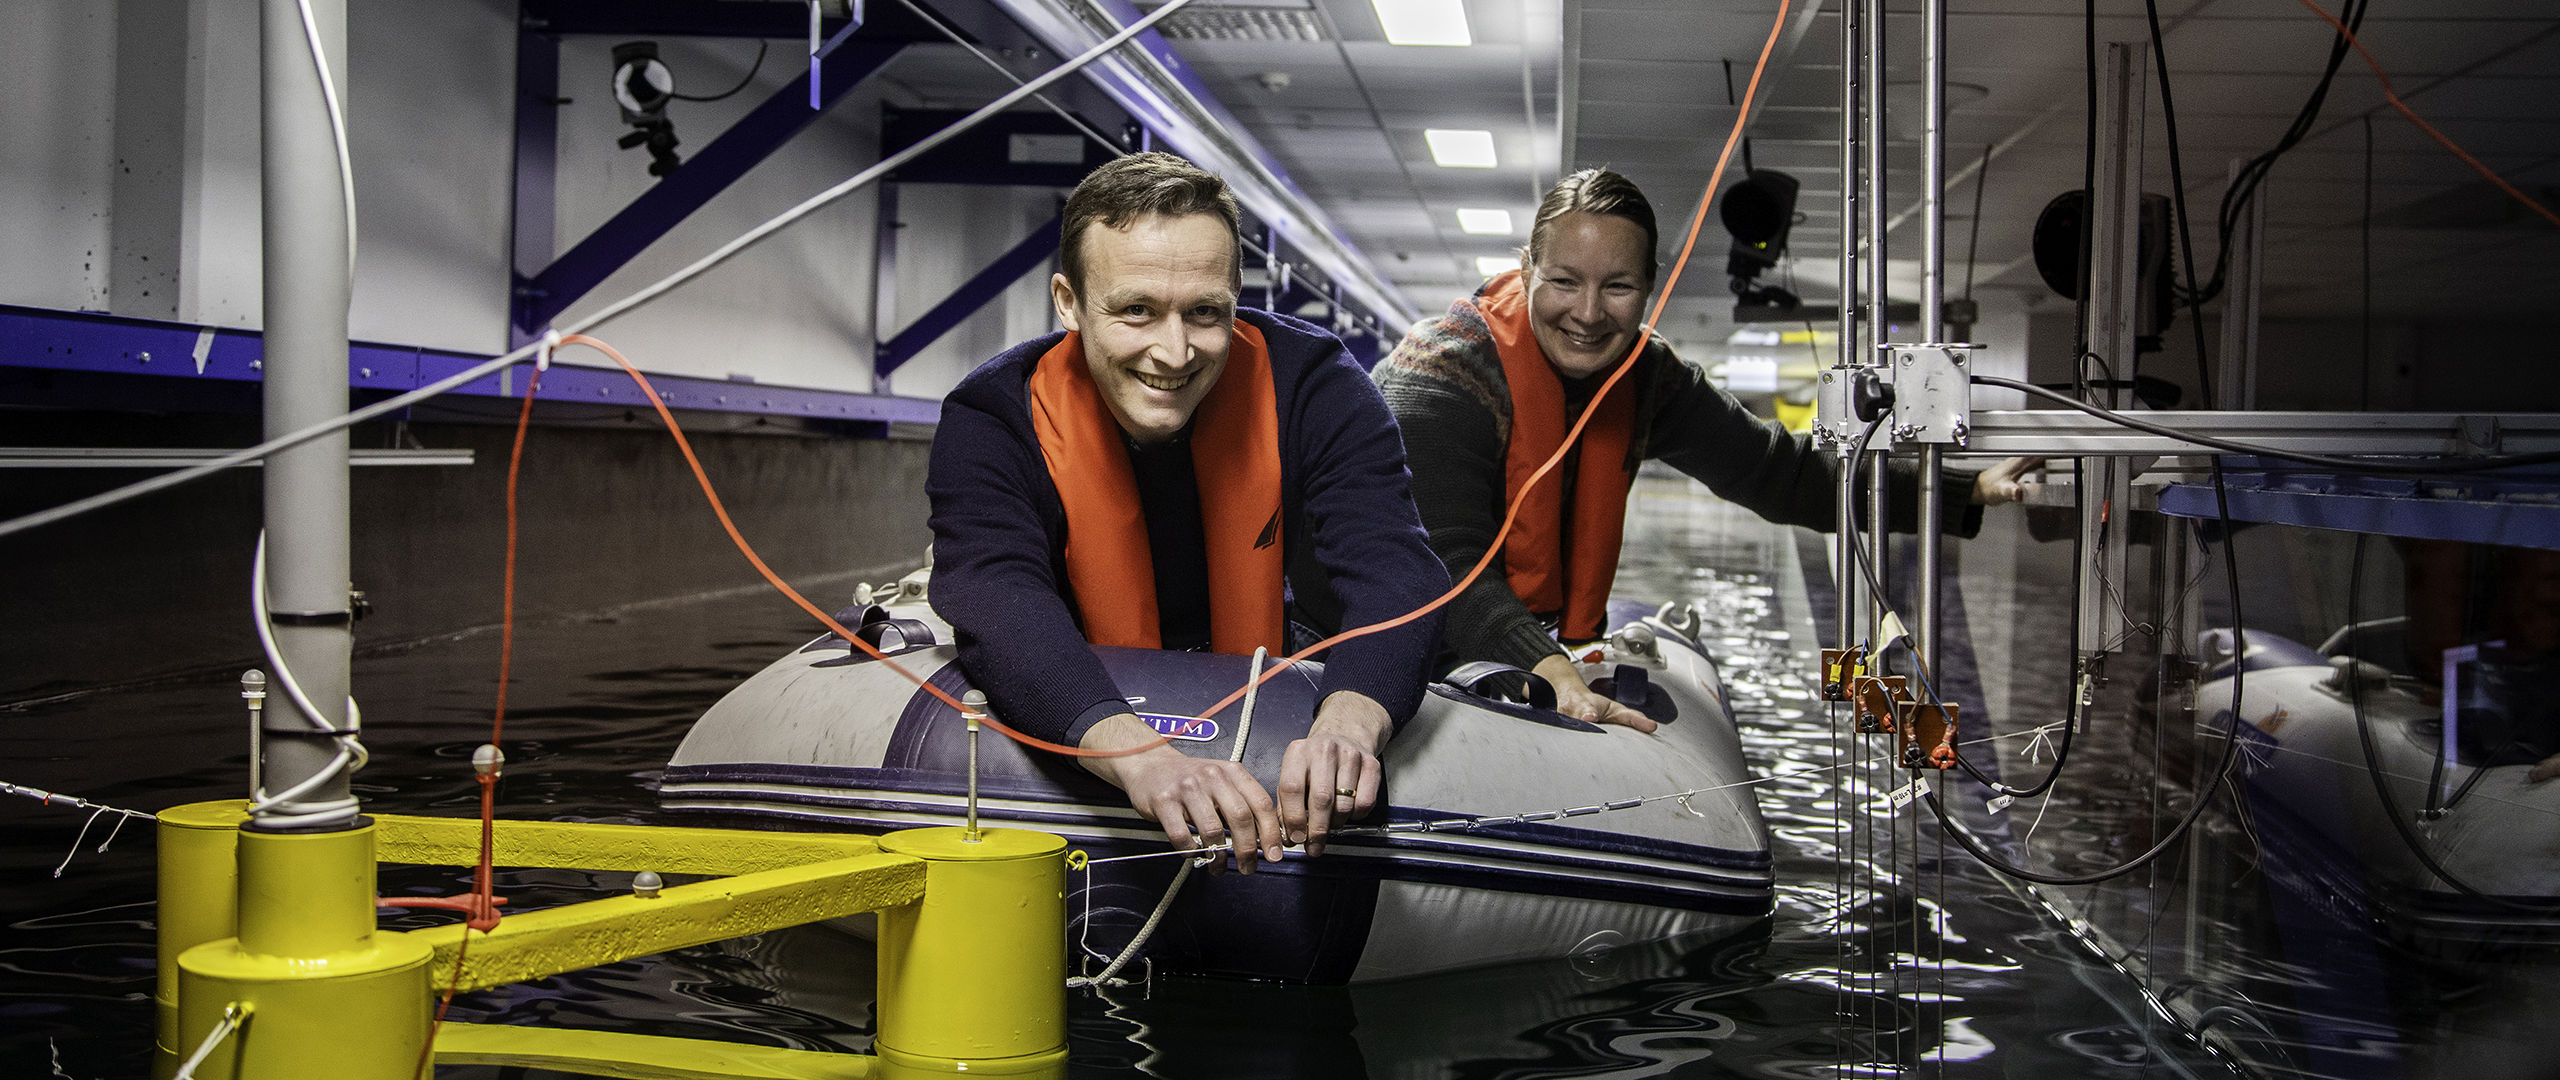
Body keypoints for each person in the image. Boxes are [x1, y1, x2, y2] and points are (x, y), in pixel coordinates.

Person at [925, 153, 1449, 869]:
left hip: (1264, 666)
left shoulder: (1316, 387)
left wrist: (1350, 723)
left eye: (1205, 313)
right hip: (1082, 676)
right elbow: (997, 597)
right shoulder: (993, 417)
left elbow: (1395, 569)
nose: (1174, 353)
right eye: (1136, 310)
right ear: (1069, 302)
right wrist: (1140, 758)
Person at [1375, 168, 2038, 731]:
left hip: (1508, 658)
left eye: (1618, 287)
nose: (1589, 312)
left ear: (1650, 286)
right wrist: (1550, 669)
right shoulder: (1443, 370)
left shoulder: (1648, 378)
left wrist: (1966, 490)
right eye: (1565, 282)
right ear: (1527, 270)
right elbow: (1443, 559)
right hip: (1374, 646)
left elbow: (1779, 473)